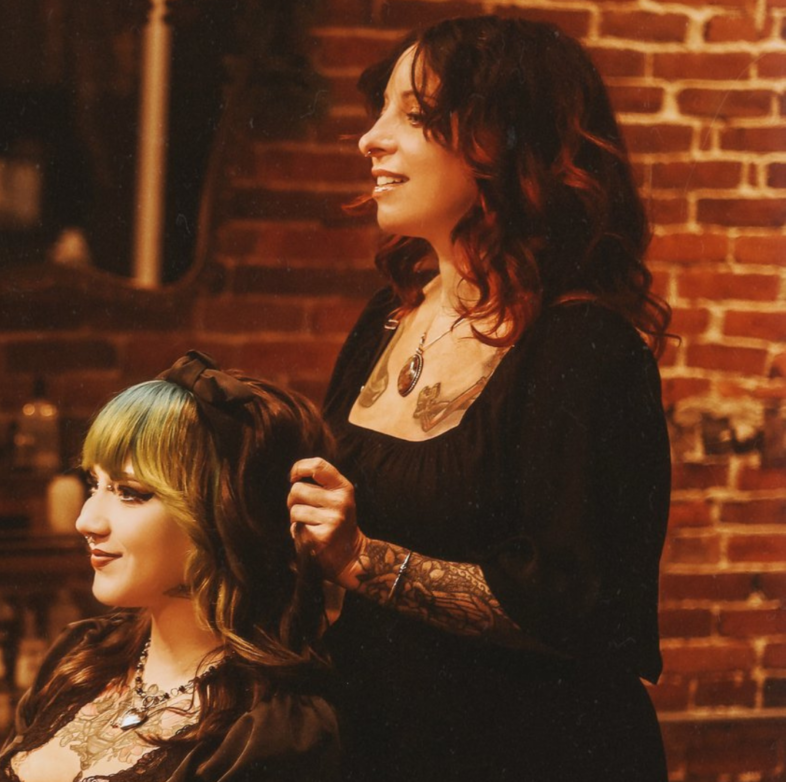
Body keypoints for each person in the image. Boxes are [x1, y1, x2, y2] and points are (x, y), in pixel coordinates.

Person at [287, 15, 672, 782]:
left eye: (415, 116)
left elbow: (580, 605)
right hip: (386, 744)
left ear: (506, 145)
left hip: (532, 752)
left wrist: (362, 559)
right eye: (380, 109)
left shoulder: (583, 347)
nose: (371, 138)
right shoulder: (392, 312)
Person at [0, 351, 341, 782]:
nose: (87, 521)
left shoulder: (267, 729)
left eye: (130, 492)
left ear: (223, 513)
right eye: (94, 484)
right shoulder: (80, 657)